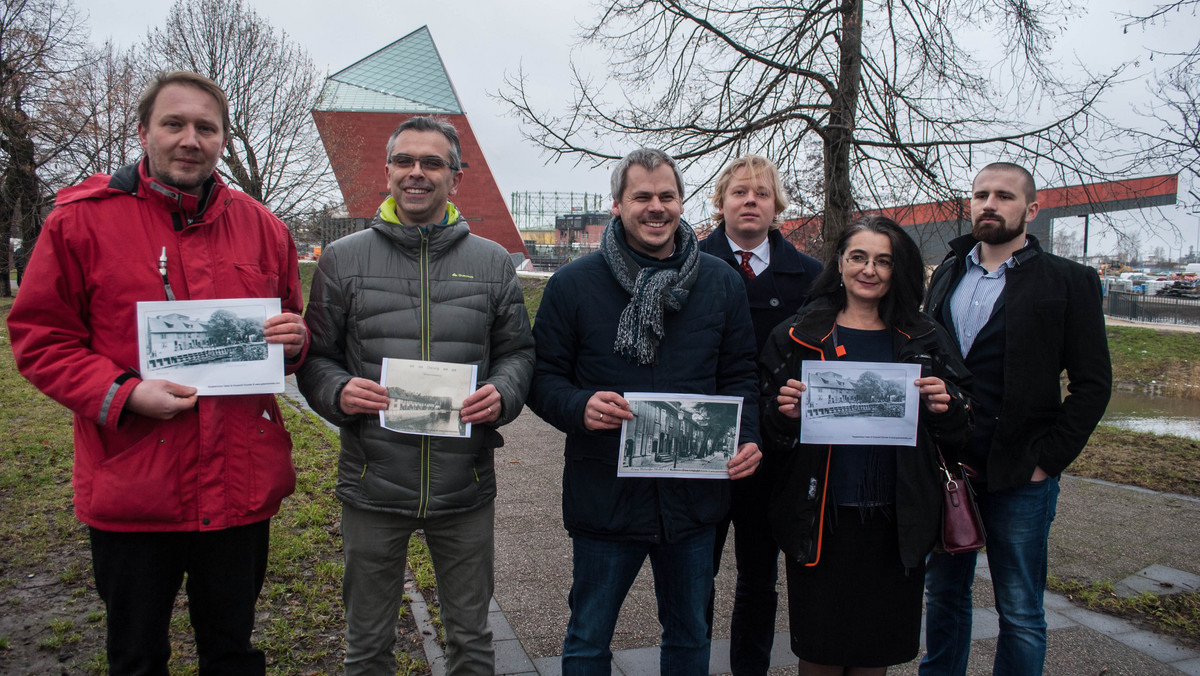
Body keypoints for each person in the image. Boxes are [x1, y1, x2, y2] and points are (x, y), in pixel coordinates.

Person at [7, 70, 309, 674]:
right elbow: (40, 337)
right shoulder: (80, 220)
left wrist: (294, 341)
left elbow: (291, 330)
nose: (189, 139)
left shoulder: (264, 227)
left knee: (232, 651)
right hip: (134, 482)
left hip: (236, 487)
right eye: (174, 124)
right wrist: (124, 392)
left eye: (206, 127)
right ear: (144, 131)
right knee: (137, 655)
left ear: (223, 139)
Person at [296, 115, 535, 676]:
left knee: (473, 643)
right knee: (368, 645)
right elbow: (314, 356)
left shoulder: (494, 262)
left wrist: (502, 391)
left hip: (464, 486)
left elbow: (519, 354)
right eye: (405, 161)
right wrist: (336, 390)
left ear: (455, 175)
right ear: (386, 172)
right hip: (372, 483)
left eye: (432, 163)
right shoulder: (342, 259)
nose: (417, 173)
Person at [528, 148, 763, 675]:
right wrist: (580, 405)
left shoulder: (721, 282)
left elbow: (742, 376)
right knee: (588, 637)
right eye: (642, 197)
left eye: (667, 196)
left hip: (693, 500)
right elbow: (540, 379)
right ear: (617, 205)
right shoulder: (575, 284)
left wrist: (750, 437)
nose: (655, 208)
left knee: (689, 635)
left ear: (681, 204)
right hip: (605, 496)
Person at [919, 163, 1112, 675]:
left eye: (1004, 196)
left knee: (1021, 610)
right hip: (949, 466)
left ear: (1031, 209)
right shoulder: (948, 273)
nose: (989, 203)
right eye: (981, 194)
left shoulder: (1069, 281)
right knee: (943, 598)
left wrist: (1048, 459)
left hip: (1021, 472)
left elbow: (1093, 384)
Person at [760, 215, 972, 675]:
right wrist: (783, 414)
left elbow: (962, 428)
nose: (869, 269)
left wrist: (947, 406)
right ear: (839, 264)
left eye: (883, 260)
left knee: (876, 650)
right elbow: (766, 430)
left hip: (897, 520)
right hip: (821, 518)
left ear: (899, 270)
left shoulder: (925, 337)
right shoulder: (797, 336)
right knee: (819, 649)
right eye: (858, 257)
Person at [698, 154, 823, 675]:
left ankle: (750, 668)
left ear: (777, 208)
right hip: (703, 444)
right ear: (721, 203)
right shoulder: (686, 266)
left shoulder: (812, 278)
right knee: (693, 573)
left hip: (773, 452)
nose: (751, 201)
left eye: (763, 194)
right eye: (740, 192)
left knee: (758, 576)